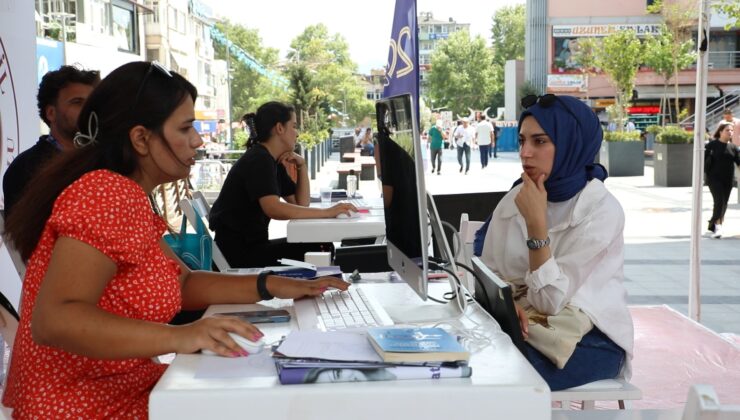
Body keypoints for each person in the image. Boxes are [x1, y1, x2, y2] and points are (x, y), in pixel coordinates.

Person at [1, 61, 350, 418]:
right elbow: (55, 320)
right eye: (185, 128)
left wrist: (271, 284)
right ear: (141, 138)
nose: (197, 140)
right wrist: (184, 336)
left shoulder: (127, 194)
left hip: (119, 389)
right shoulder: (106, 194)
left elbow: (183, 283)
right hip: (82, 405)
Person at [480, 94, 633, 391]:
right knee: (472, 361)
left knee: (496, 377)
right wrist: (505, 304)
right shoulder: (515, 198)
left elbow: (548, 301)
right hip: (525, 328)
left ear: (571, 143)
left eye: (540, 141)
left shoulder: (600, 210)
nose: (525, 153)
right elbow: (488, 271)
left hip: (593, 339)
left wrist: (537, 226)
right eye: (522, 141)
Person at [209, 101, 357, 268]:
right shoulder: (259, 159)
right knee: (321, 248)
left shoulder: (271, 160)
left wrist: (301, 166)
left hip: (250, 249)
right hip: (239, 256)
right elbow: (273, 208)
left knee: (321, 246)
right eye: (294, 126)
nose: (297, 133)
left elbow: (301, 203)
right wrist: (327, 212)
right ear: (279, 128)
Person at [3, 65, 100, 216]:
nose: (88, 109)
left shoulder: (102, 160)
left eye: (91, 103)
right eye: (77, 102)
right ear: (51, 113)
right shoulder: (26, 167)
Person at [704, 121, 739, 238]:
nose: (730, 132)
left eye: (732, 130)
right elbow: (703, 161)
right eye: (727, 130)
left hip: (728, 180)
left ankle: (715, 224)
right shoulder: (711, 145)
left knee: (724, 203)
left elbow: (738, 162)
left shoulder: (733, 147)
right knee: (719, 201)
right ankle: (717, 227)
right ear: (720, 132)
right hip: (714, 178)